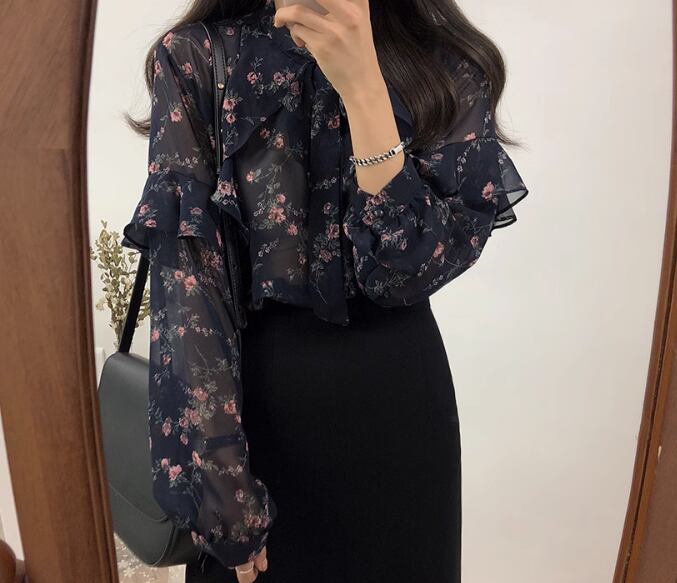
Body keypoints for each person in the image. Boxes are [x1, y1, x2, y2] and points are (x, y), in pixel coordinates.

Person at [121, 0, 529, 581]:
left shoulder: (443, 66)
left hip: (401, 416)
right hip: (253, 422)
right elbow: (190, 289)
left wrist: (363, 85)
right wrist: (225, 494)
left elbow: (407, 272)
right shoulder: (199, 58)